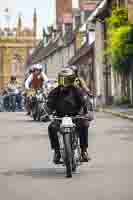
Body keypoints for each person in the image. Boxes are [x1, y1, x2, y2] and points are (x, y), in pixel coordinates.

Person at [47, 68, 90, 164]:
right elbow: (49, 103)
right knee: (51, 127)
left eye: (67, 79)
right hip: (60, 118)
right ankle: (57, 152)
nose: (65, 82)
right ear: (59, 80)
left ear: (72, 80)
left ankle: (83, 151)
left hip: (75, 117)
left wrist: (87, 113)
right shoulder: (55, 91)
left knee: (84, 125)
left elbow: (84, 102)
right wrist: (48, 112)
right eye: (62, 80)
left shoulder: (77, 90)